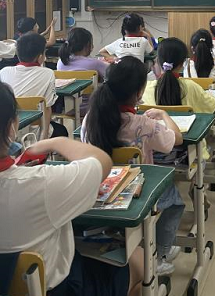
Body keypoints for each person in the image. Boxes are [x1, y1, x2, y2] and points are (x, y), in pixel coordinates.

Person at [0, 82, 141, 296]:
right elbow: (102, 161)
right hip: (59, 289)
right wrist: (56, 142)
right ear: (11, 127)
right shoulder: (39, 183)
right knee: (139, 260)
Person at [81, 56, 184, 276]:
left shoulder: (90, 118)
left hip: (97, 189)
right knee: (173, 197)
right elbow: (176, 139)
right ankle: (159, 254)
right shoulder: (143, 124)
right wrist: (163, 114)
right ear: (138, 93)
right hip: (137, 194)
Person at [0, 33, 67, 139]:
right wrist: (43, 138)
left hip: (8, 132)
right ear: (40, 57)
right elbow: (47, 108)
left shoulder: (4, 72)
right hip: (35, 132)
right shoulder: (48, 73)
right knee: (62, 131)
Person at [143, 38, 215, 114]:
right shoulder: (191, 86)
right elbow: (212, 105)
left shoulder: (145, 89)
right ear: (182, 64)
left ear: (158, 61)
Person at [57, 27, 109, 115]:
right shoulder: (94, 63)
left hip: (67, 108)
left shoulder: (61, 62)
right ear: (88, 45)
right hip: (91, 107)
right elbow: (113, 74)